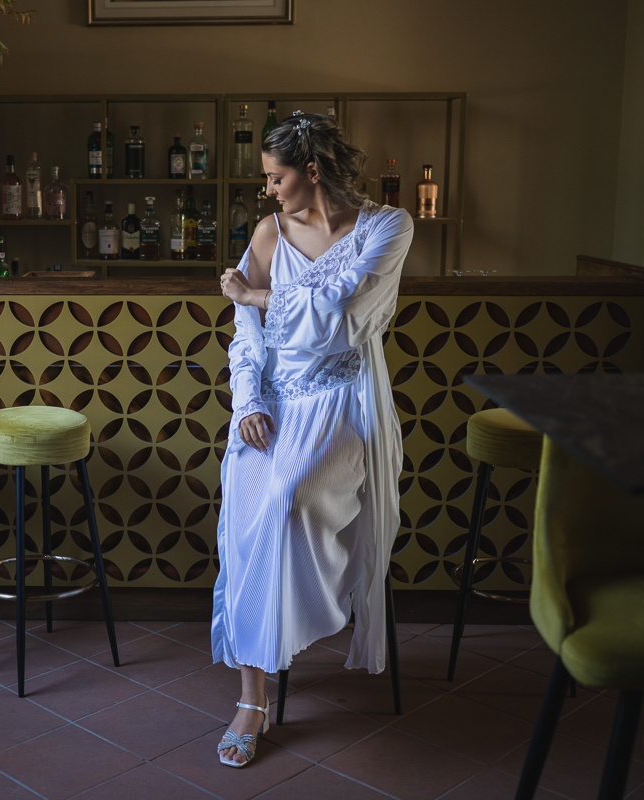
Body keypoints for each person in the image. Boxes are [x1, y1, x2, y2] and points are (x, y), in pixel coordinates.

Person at [213, 113, 413, 767]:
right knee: (248, 508)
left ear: (313, 170)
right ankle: (252, 696)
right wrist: (248, 402)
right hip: (273, 402)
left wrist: (257, 295)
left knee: (285, 498)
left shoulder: (387, 228)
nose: (268, 190)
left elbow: (343, 315)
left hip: (341, 403)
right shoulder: (268, 232)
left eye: (276, 178)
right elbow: (247, 339)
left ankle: (278, 651)